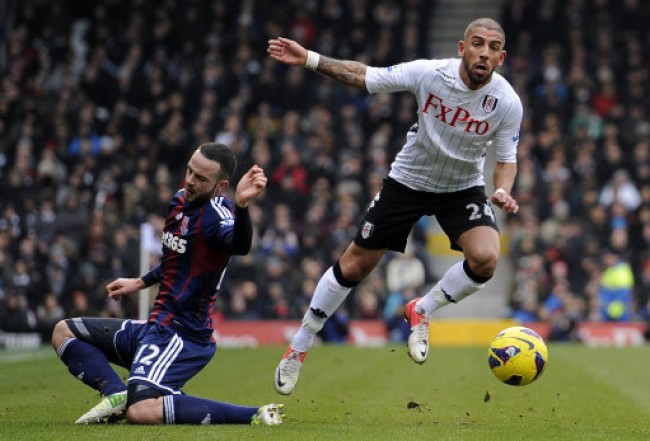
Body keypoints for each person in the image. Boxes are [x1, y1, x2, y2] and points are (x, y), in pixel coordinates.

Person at [267, 17, 522, 395]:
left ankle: (422, 309)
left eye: (493, 46)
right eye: (477, 43)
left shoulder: (507, 102)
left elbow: (506, 159)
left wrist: (502, 190)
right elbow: (364, 76)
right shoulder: (429, 74)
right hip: (408, 181)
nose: (484, 52)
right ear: (461, 48)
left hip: (461, 187)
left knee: (486, 257)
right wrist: (310, 60)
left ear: (501, 57)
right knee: (356, 264)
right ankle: (299, 346)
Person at [51, 143, 284, 426]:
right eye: (189, 171)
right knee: (63, 332)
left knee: (142, 411)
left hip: (182, 337)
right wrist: (140, 282)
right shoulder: (179, 201)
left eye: (201, 178)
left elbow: (240, 244)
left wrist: (243, 206)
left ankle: (253, 414)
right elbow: (178, 260)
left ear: (221, 186)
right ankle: (117, 394)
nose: (190, 180)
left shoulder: (218, 216)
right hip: (155, 326)